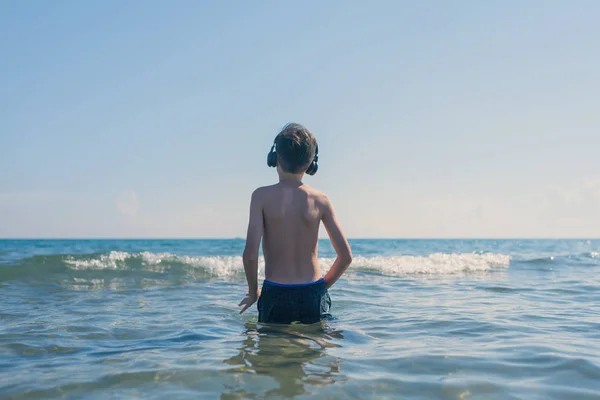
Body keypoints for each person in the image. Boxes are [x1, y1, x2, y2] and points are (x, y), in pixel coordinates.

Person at [238, 123, 353, 324]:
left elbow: (249, 255)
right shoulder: (320, 200)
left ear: (274, 158)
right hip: (313, 291)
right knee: (313, 350)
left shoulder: (261, 197)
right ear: (311, 164)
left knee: (271, 349)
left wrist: (253, 292)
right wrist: (322, 287)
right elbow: (345, 257)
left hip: (276, 292)